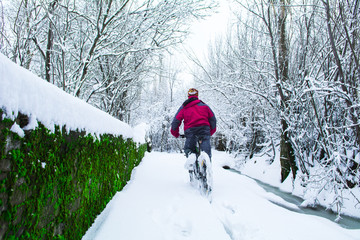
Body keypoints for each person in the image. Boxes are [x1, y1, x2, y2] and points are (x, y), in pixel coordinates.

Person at [170, 88, 216, 159]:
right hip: (204, 130)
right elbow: (213, 119)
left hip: (191, 131)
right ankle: (207, 166)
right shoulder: (205, 106)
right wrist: (211, 132)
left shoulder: (184, 107)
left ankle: (191, 163)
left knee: (189, 150)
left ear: (188, 96)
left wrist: (175, 133)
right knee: (206, 153)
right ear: (197, 95)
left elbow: (176, 120)